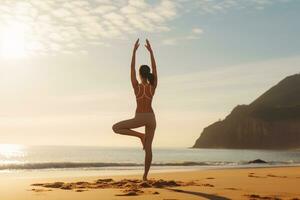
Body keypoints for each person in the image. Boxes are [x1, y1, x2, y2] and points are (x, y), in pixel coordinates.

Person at [112, 39, 158, 181]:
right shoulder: (153, 86)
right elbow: (155, 69)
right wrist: (151, 52)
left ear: (139, 74)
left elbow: (131, 69)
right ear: (148, 74)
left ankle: (139, 136)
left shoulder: (136, 87)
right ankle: (144, 177)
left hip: (140, 117)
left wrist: (134, 52)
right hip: (151, 118)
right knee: (148, 149)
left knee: (116, 127)